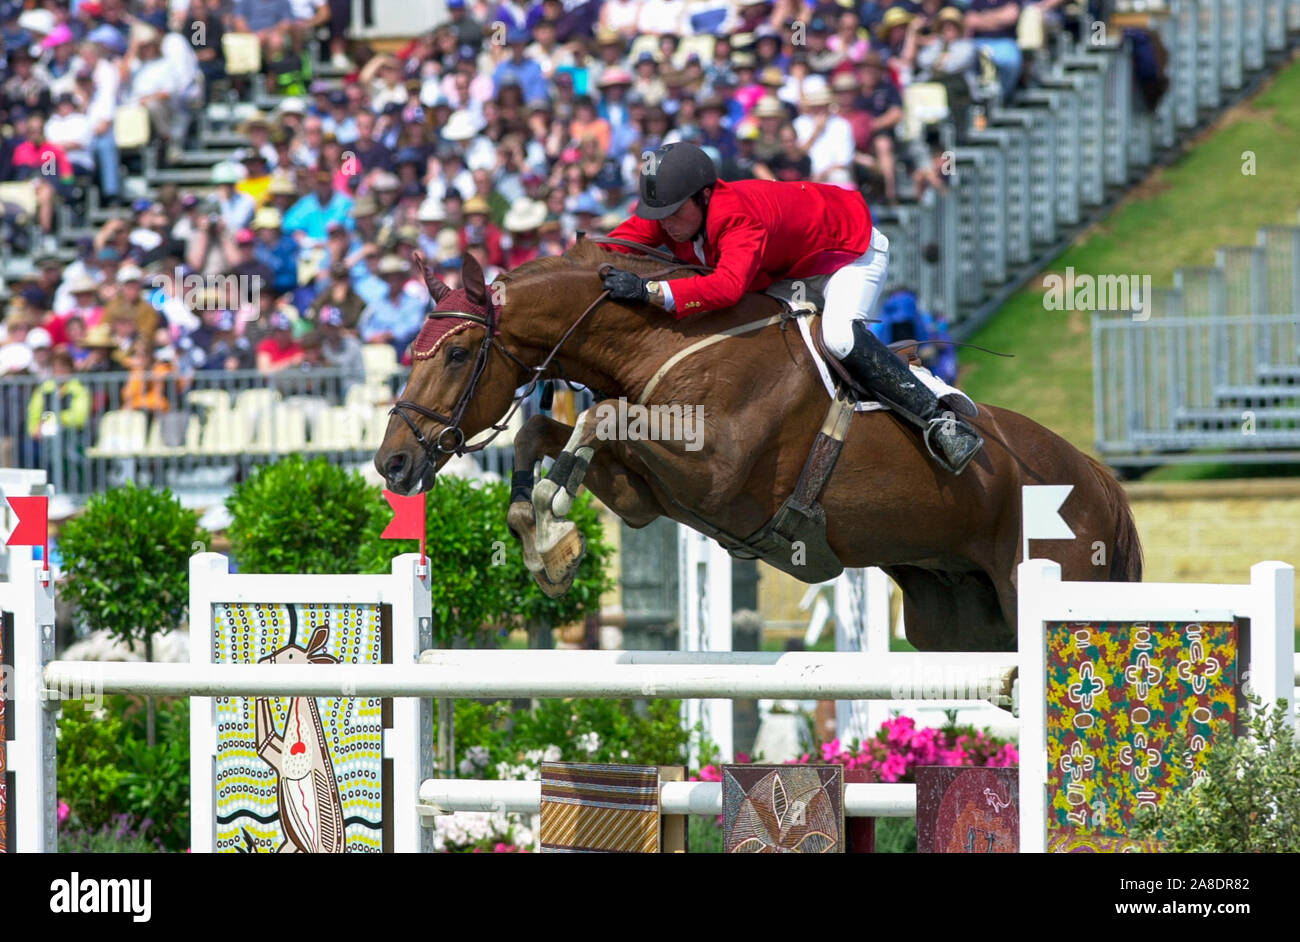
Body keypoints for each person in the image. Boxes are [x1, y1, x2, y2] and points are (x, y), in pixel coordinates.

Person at [599, 142, 981, 473]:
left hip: (848, 254)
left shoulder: (735, 217)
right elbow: (610, 245)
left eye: (673, 212)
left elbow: (728, 287)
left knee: (840, 339)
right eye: (658, 215)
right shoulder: (673, 214)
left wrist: (650, 290)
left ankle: (940, 415)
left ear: (703, 196)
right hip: (790, 269)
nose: (665, 225)